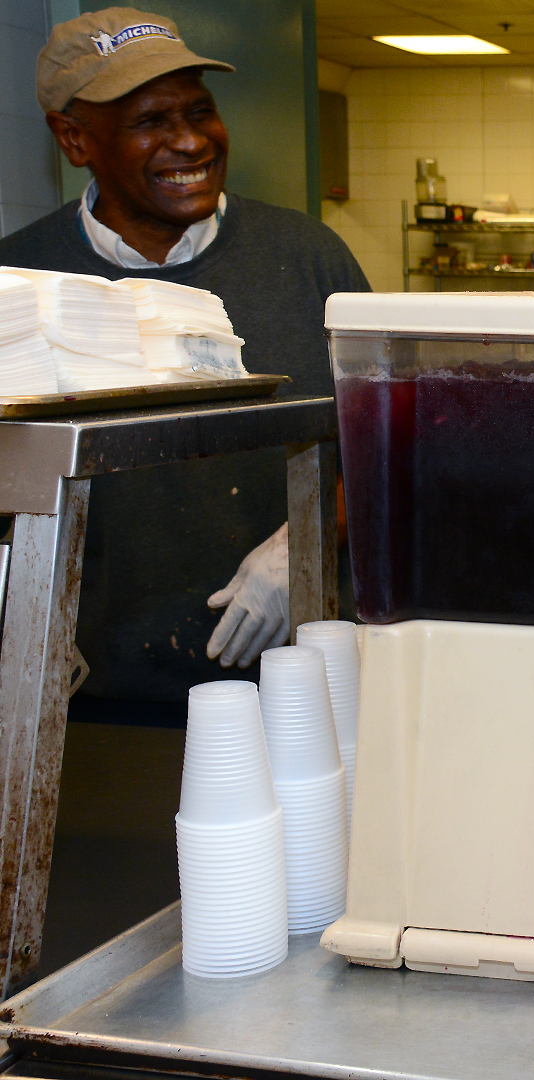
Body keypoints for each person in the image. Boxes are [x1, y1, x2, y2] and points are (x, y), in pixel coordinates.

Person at [0, 7, 369, 717]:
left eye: (201, 111)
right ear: (74, 139)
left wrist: (306, 542)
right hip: (95, 702)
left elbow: (384, 452)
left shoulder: (308, 260)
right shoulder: (23, 284)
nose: (190, 140)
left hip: (297, 686)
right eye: (151, 122)